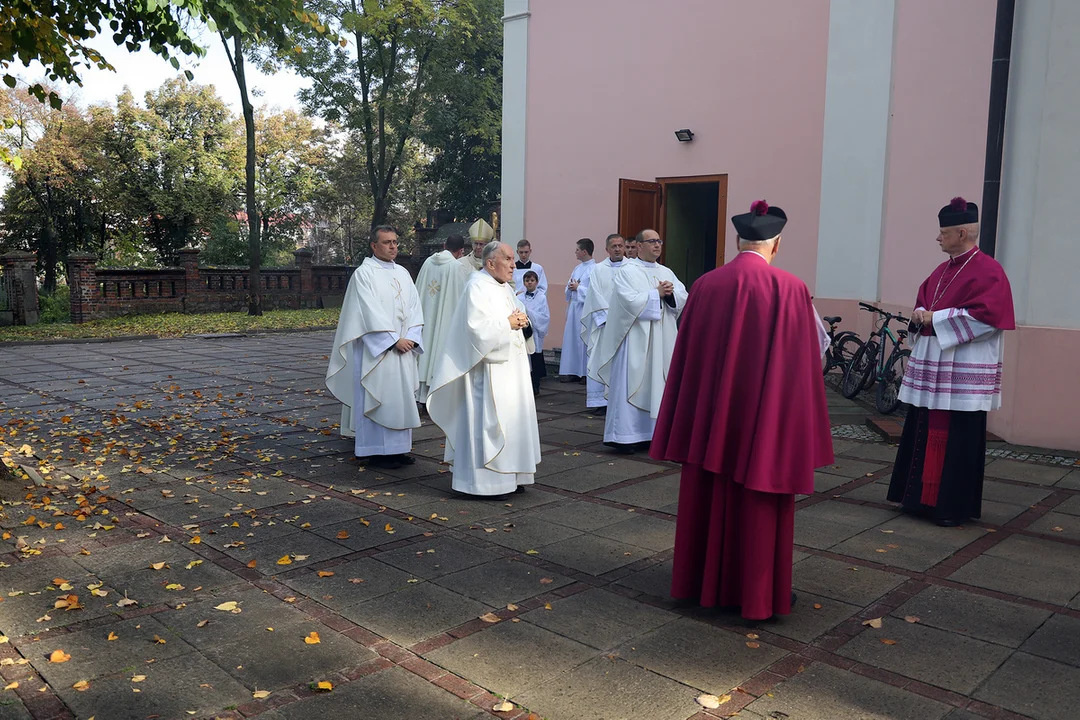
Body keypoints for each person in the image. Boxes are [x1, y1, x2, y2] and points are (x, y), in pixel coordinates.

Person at [650, 200, 833, 623]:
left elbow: (688, 354)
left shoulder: (706, 285)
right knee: (759, 501)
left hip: (714, 418)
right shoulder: (791, 288)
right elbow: (810, 357)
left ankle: (698, 585)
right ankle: (756, 593)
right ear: (777, 244)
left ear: (738, 240)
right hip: (763, 420)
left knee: (707, 495)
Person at [888, 197, 1015, 527]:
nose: (937, 238)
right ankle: (916, 500)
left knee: (957, 439)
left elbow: (989, 318)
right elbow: (924, 308)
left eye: (943, 233)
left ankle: (949, 507)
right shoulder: (940, 271)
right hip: (934, 370)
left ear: (962, 233)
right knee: (921, 430)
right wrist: (919, 317)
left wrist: (936, 318)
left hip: (961, 373)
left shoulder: (990, 271)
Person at [427, 241, 542, 497]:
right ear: (491, 263)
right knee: (491, 423)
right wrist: (508, 323)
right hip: (488, 371)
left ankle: (511, 476)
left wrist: (521, 321)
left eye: (513, 259)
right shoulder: (476, 286)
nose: (514, 265)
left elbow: (516, 316)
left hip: (511, 370)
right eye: (509, 259)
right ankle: (485, 483)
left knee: (513, 422)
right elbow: (475, 330)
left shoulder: (504, 288)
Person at [326, 225, 425, 470]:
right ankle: (376, 451)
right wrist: (393, 341)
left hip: (403, 348)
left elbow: (415, 307)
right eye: (387, 242)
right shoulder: (364, 274)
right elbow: (367, 312)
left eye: (395, 242)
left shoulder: (403, 272)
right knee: (379, 395)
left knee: (400, 400)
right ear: (374, 246)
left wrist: (411, 336)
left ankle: (398, 449)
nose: (393, 247)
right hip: (378, 352)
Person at [593, 229, 687, 453]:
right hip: (634, 339)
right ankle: (626, 436)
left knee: (659, 382)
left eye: (659, 241)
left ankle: (655, 433)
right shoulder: (627, 271)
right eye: (652, 241)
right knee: (631, 382)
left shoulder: (666, 271)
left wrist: (671, 295)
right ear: (639, 245)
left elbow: (682, 296)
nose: (657, 245)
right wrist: (656, 293)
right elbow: (626, 302)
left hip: (662, 338)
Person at [414, 234, 471, 404]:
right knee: (439, 353)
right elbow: (462, 300)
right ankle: (436, 400)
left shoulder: (427, 262)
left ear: (444, 245)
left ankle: (420, 396)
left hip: (425, 317)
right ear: (461, 251)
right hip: (445, 321)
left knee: (425, 354)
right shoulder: (457, 267)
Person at [581, 233, 627, 414]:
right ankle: (599, 401)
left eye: (620, 245)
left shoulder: (633, 268)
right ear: (607, 249)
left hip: (626, 326)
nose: (617, 249)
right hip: (605, 326)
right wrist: (607, 319)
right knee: (601, 360)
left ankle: (621, 400)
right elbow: (594, 296)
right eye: (613, 246)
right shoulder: (598, 270)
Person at [558, 238, 596, 383]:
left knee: (584, 340)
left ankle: (585, 373)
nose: (575, 252)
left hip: (585, 309)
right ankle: (572, 370)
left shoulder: (595, 269)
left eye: (577, 250)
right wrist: (570, 287)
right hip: (574, 307)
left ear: (584, 251)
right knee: (572, 340)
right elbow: (569, 284)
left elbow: (595, 291)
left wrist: (578, 288)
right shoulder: (577, 268)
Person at [520, 270, 550, 395]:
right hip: (523, 331)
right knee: (524, 360)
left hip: (535, 332)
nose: (529, 283)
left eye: (532, 280)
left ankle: (535, 385)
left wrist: (530, 313)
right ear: (524, 282)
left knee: (535, 358)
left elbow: (544, 316)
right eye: (527, 281)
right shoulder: (519, 297)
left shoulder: (541, 298)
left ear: (537, 282)